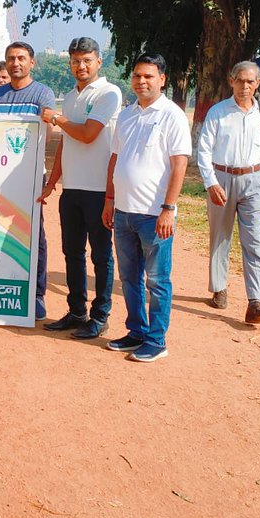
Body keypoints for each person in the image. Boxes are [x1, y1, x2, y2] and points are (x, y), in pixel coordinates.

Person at [102, 53, 191, 363]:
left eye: (149, 76)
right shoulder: (126, 116)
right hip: (124, 211)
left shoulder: (172, 115)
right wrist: (110, 200)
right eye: (137, 76)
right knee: (129, 278)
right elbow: (115, 159)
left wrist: (169, 207)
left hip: (155, 215)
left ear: (162, 79)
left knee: (157, 280)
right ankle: (136, 331)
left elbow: (179, 164)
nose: (142, 81)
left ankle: (156, 339)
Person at [39, 38, 122, 339]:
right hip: (72, 187)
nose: (81, 66)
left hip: (99, 187)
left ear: (99, 61)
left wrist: (57, 119)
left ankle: (100, 316)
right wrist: (52, 182)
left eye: (87, 60)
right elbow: (67, 140)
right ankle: (76, 311)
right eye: (75, 60)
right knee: (72, 252)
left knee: (101, 255)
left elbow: (88, 134)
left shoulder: (109, 93)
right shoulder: (72, 96)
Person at [197, 60, 260, 324]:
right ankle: (219, 287)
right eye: (240, 81)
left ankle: (257, 301)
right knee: (220, 237)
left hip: (254, 180)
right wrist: (211, 183)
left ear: (257, 83)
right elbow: (203, 151)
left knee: (255, 239)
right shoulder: (218, 112)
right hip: (222, 179)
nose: (245, 86)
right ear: (231, 81)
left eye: (250, 81)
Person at [0, 42, 57, 320]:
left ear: (32, 62)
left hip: (29, 176)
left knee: (32, 232)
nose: (16, 63)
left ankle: (36, 294)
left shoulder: (43, 94)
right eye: (11, 59)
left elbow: (47, 135)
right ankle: (0, 284)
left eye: (21, 58)